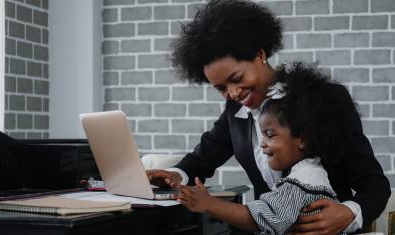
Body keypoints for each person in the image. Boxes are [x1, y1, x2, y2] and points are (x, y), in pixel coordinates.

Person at [146, 0, 390, 233]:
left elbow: (375, 185)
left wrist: (347, 214)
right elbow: (203, 158)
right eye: (220, 88)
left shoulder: (323, 100)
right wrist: (176, 175)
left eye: (237, 78)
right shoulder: (235, 111)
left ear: (259, 54)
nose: (232, 93)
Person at [177, 63, 349, 234]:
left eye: (270, 135)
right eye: (221, 88)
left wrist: (210, 204)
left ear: (302, 140)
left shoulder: (304, 180)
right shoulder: (309, 173)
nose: (262, 143)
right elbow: (206, 152)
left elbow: (264, 218)